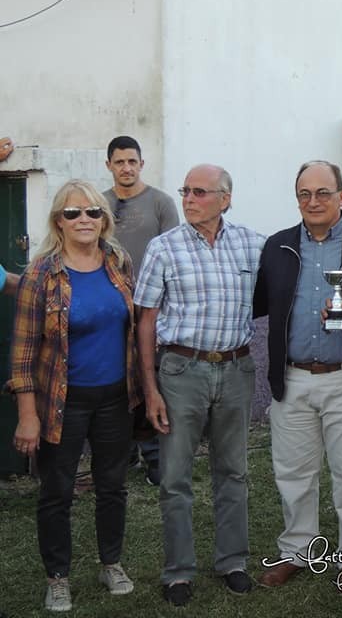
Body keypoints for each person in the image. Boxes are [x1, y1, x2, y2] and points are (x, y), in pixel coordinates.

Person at [7, 180, 142, 611]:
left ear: (104, 220)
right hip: (61, 400)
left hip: (115, 398)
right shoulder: (41, 273)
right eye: (72, 213)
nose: (83, 219)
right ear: (57, 222)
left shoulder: (119, 261)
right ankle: (58, 576)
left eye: (92, 212)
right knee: (56, 491)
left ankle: (111, 562)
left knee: (112, 486)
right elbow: (23, 350)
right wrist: (28, 416)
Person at [252, 160, 342, 590]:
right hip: (292, 379)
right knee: (292, 472)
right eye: (304, 194)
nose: (313, 201)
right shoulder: (277, 246)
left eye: (323, 193)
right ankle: (298, 550)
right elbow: (260, 302)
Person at [135, 164, 265, 606]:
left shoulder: (251, 244)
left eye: (200, 192)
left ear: (225, 200)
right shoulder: (163, 248)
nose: (188, 199)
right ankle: (178, 572)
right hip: (180, 372)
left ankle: (232, 562)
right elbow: (146, 319)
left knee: (233, 471)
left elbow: (295, 256)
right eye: (185, 191)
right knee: (175, 475)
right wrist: (150, 387)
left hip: (235, 370)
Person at [103, 135, 180, 486]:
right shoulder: (98, 204)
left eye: (132, 161)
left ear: (141, 164)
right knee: (117, 382)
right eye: (119, 162)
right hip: (109, 310)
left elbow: (174, 256)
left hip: (153, 309)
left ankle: (153, 456)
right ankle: (123, 454)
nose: (127, 168)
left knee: (152, 378)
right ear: (109, 166)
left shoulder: (161, 203)